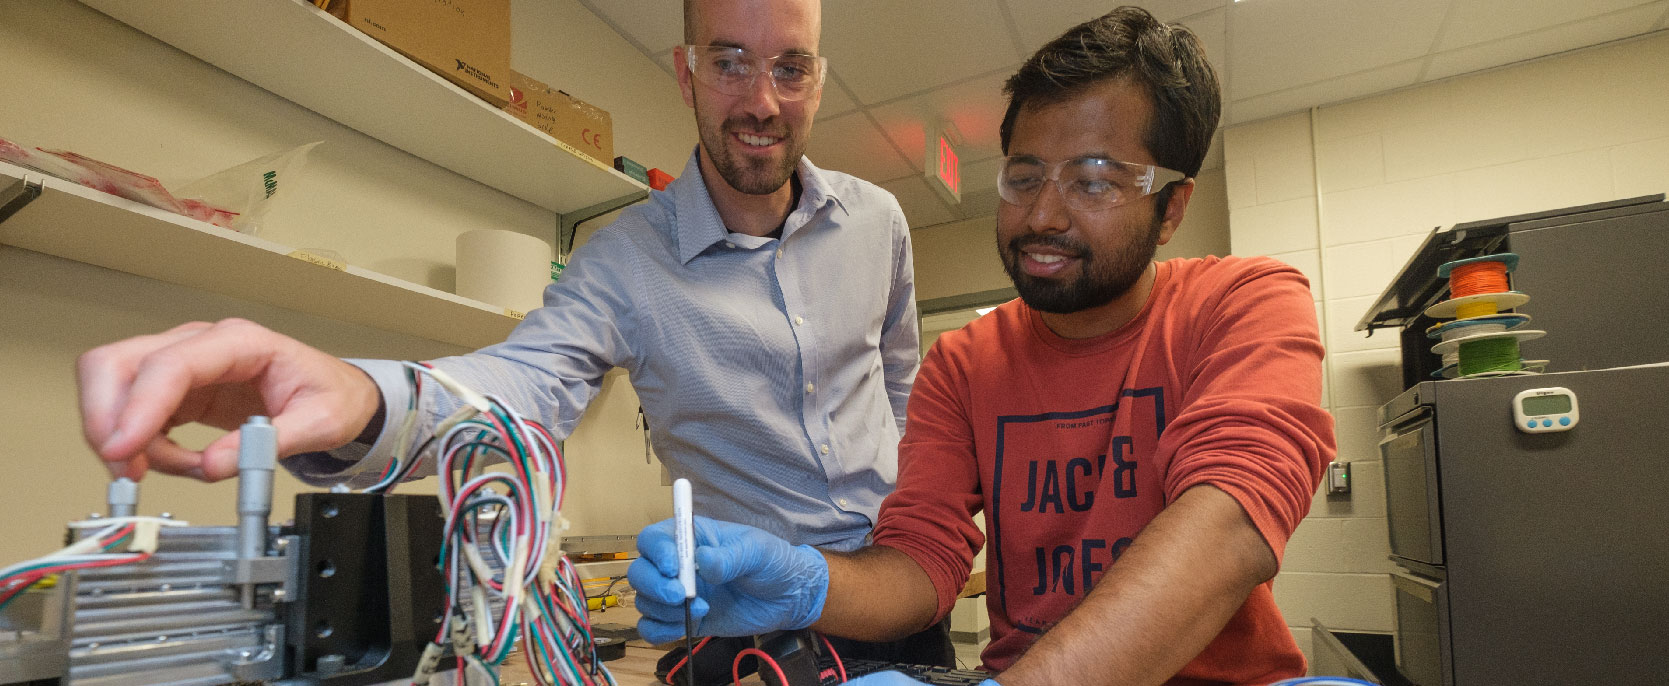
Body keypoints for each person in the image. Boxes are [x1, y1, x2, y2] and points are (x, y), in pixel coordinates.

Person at [75, 0, 948, 675]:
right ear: (685, 73)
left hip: (898, 597)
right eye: (729, 62)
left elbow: (907, 392)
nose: (761, 101)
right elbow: (520, 382)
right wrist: (359, 398)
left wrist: (916, 546)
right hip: (736, 622)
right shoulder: (621, 262)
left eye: (789, 67)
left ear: (819, 78)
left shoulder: (879, 223)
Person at [629, 7, 1334, 685]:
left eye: (1092, 181)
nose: (1042, 214)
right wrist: (802, 583)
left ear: (1170, 208)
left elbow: (1230, 524)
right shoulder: (964, 364)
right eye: (1023, 176)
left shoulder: (1245, 301)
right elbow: (920, 567)